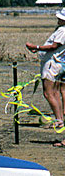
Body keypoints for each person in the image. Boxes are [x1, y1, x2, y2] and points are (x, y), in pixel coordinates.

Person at [25, 8, 65, 144]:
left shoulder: (62, 31)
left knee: (48, 93)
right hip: (55, 64)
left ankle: (59, 120)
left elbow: (54, 46)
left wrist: (36, 46)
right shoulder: (60, 30)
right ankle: (59, 119)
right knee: (54, 92)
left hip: (52, 64)